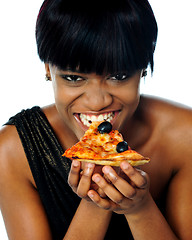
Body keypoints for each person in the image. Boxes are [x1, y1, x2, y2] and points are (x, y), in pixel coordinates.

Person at [0, 0, 192, 239]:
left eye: (118, 76)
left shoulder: (186, 136)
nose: (97, 101)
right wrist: (96, 201)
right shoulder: (13, 150)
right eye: (73, 78)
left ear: (142, 67)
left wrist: (139, 209)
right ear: (48, 68)